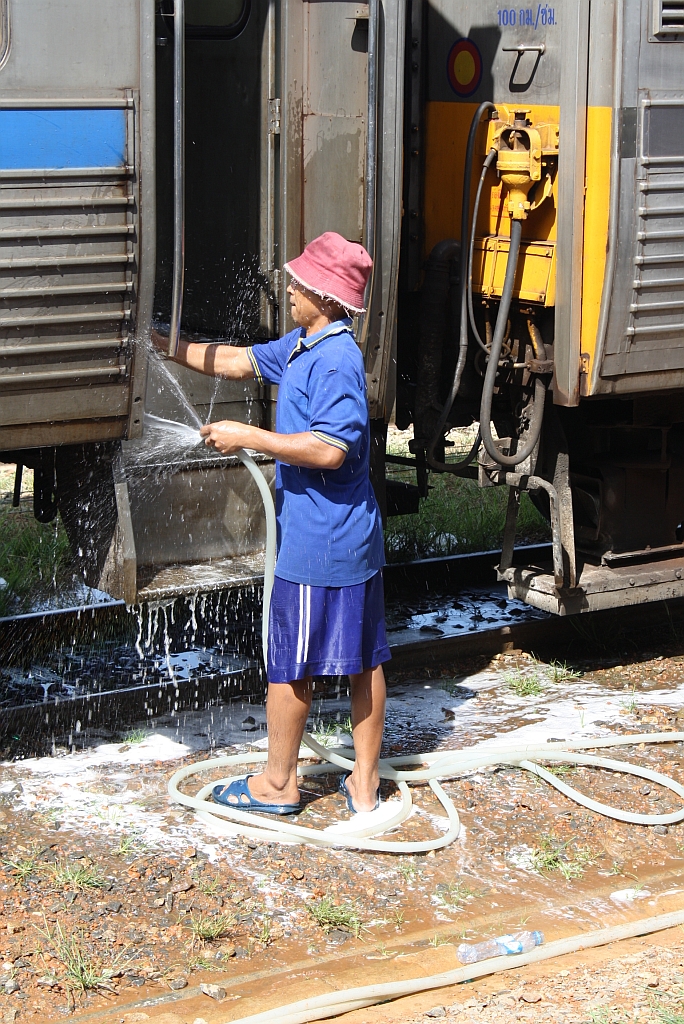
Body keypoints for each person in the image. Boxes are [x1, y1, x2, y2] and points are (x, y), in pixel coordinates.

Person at [155, 231, 390, 815]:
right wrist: (164, 344)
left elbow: (332, 449)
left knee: (290, 665)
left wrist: (247, 437)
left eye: (300, 283)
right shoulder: (305, 343)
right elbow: (237, 362)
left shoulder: (335, 359)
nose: (289, 288)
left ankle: (279, 786)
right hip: (349, 535)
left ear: (327, 298)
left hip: (321, 542)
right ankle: (363, 782)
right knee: (365, 659)